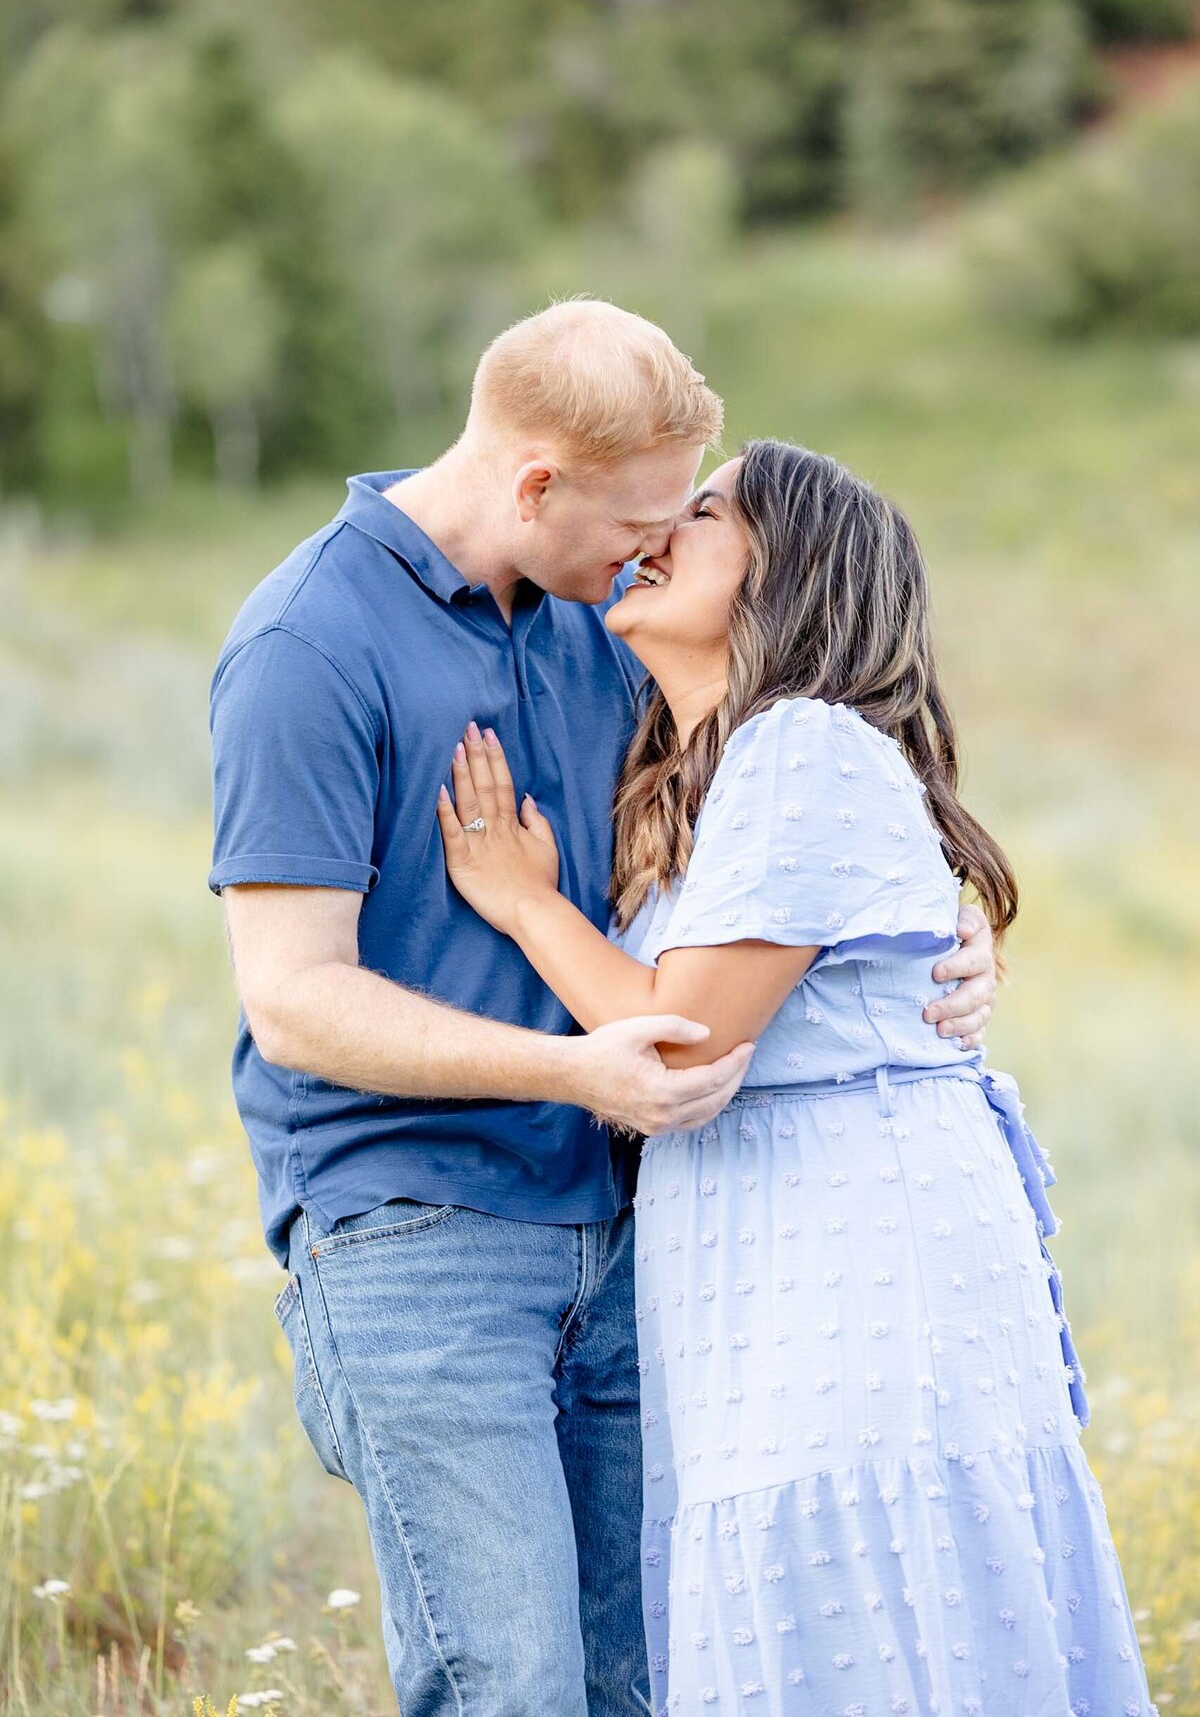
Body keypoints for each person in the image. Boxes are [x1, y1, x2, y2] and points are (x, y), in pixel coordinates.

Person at [208, 302, 997, 1716]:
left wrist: (948, 924)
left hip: (641, 1240)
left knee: (656, 1681)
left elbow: (793, 780)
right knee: (511, 1681)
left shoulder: (600, 624)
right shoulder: (307, 646)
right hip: (419, 1233)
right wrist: (579, 1071)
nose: (655, 548)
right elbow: (295, 1004)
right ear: (532, 485)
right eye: (639, 520)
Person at [438, 440, 1153, 1717]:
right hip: (770, 1247)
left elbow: (685, 1044)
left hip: (857, 1253)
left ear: (785, 575)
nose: (659, 528)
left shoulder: (801, 749)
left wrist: (523, 904)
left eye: (701, 512)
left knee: (869, 1609)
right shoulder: (716, 776)